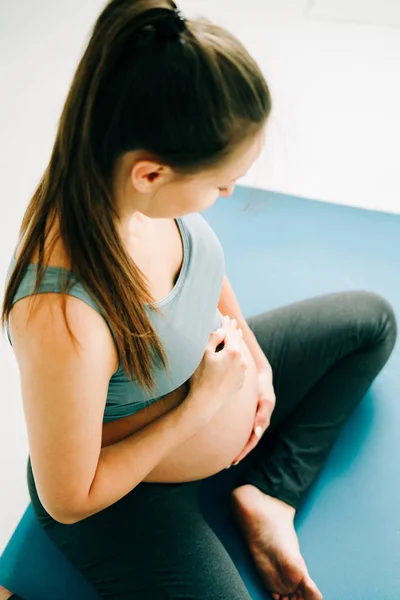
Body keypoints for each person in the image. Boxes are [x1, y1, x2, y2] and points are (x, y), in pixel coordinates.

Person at [1, 1, 397, 599]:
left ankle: (266, 497)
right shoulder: (63, 316)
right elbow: (69, 499)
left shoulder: (129, 194)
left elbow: (204, 268)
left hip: (206, 383)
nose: (230, 190)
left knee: (371, 322)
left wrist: (255, 359)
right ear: (151, 174)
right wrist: (198, 409)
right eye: (218, 182)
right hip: (127, 499)